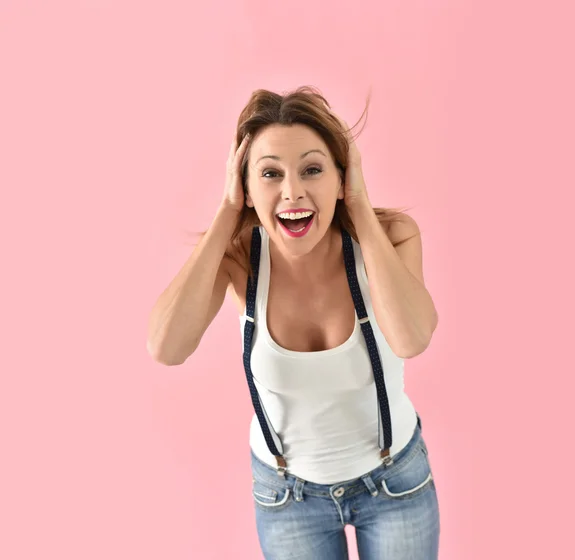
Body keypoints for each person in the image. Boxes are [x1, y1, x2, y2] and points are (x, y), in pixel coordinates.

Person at [147, 86, 441, 559]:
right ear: (246, 186)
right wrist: (227, 213)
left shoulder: (389, 238)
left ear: (340, 178)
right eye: (270, 173)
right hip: (289, 499)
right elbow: (166, 346)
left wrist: (360, 209)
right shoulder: (240, 258)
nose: (293, 192)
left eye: (312, 169)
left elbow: (411, 338)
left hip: (395, 485)